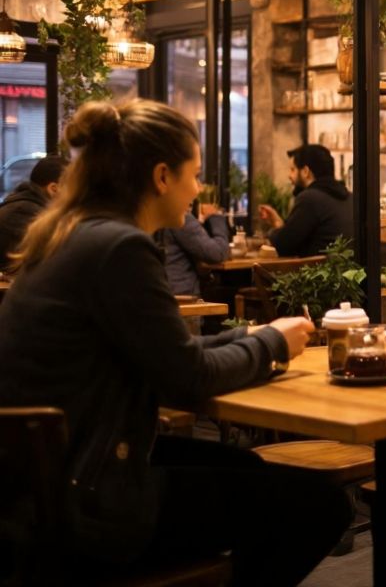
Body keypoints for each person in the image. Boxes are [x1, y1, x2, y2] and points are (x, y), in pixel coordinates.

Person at [0, 99, 346, 585]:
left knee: (248, 467)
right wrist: (270, 344)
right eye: (195, 174)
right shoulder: (119, 248)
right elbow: (188, 379)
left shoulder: (70, 235)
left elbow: (163, 354)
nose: (198, 189)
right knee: (322, 505)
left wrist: (248, 336)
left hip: (47, 485)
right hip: (89, 503)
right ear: (162, 176)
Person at [258, 144, 353, 257]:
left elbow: (283, 245)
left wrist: (273, 231)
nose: (289, 175)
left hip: (318, 268)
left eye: (293, 169)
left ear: (305, 172)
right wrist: (279, 224)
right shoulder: (350, 197)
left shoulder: (310, 198)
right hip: (344, 267)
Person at [0, 154, 67, 271]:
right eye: (72, 188)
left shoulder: (29, 206)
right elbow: (49, 263)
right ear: (54, 189)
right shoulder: (24, 213)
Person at [158, 196, 230, 297]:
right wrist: (215, 216)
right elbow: (218, 253)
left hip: (164, 291)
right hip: (182, 296)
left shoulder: (157, 214)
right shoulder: (179, 217)